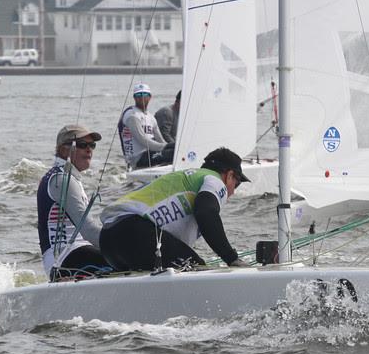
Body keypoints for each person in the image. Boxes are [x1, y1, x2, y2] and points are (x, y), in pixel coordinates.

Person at [99, 147, 251, 272]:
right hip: (136, 234)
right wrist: (232, 258)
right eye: (236, 184)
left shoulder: (186, 176)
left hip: (108, 239)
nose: (233, 192)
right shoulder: (215, 180)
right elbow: (206, 213)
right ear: (229, 175)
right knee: (198, 272)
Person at [37, 124, 109, 280]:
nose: (89, 149)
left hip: (78, 252)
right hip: (64, 260)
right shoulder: (62, 180)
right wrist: (121, 247)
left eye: (92, 145)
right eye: (82, 145)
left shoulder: (69, 177)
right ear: (64, 150)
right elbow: (88, 230)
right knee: (127, 261)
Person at [118, 82, 174, 169]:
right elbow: (144, 141)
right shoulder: (132, 115)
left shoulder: (151, 117)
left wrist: (171, 146)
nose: (142, 98)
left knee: (177, 152)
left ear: (150, 97)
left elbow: (160, 140)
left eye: (145, 94)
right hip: (138, 158)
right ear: (134, 97)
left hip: (150, 154)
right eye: (138, 95)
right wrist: (167, 147)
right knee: (172, 153)